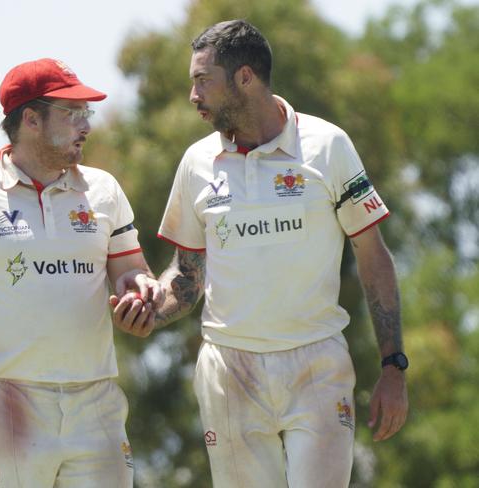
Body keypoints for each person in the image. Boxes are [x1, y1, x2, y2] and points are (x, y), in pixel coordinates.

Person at [112, 20, 408, 487]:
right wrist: (152, 308)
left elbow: (374, 258)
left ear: (245, 78)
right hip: (230, 370)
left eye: (202, 81)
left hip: (316, 365)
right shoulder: (196, 162)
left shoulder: (327, 146)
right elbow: (186, 279)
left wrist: (394, 365)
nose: (193, 96)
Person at [0, 57, 163, 488]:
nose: (86, 125)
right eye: (71, 113)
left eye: (87, 113)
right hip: (7, 404)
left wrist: (140, 294)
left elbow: (132, 273)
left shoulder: (104, 190)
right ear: (30, 119)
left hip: (95, 400)